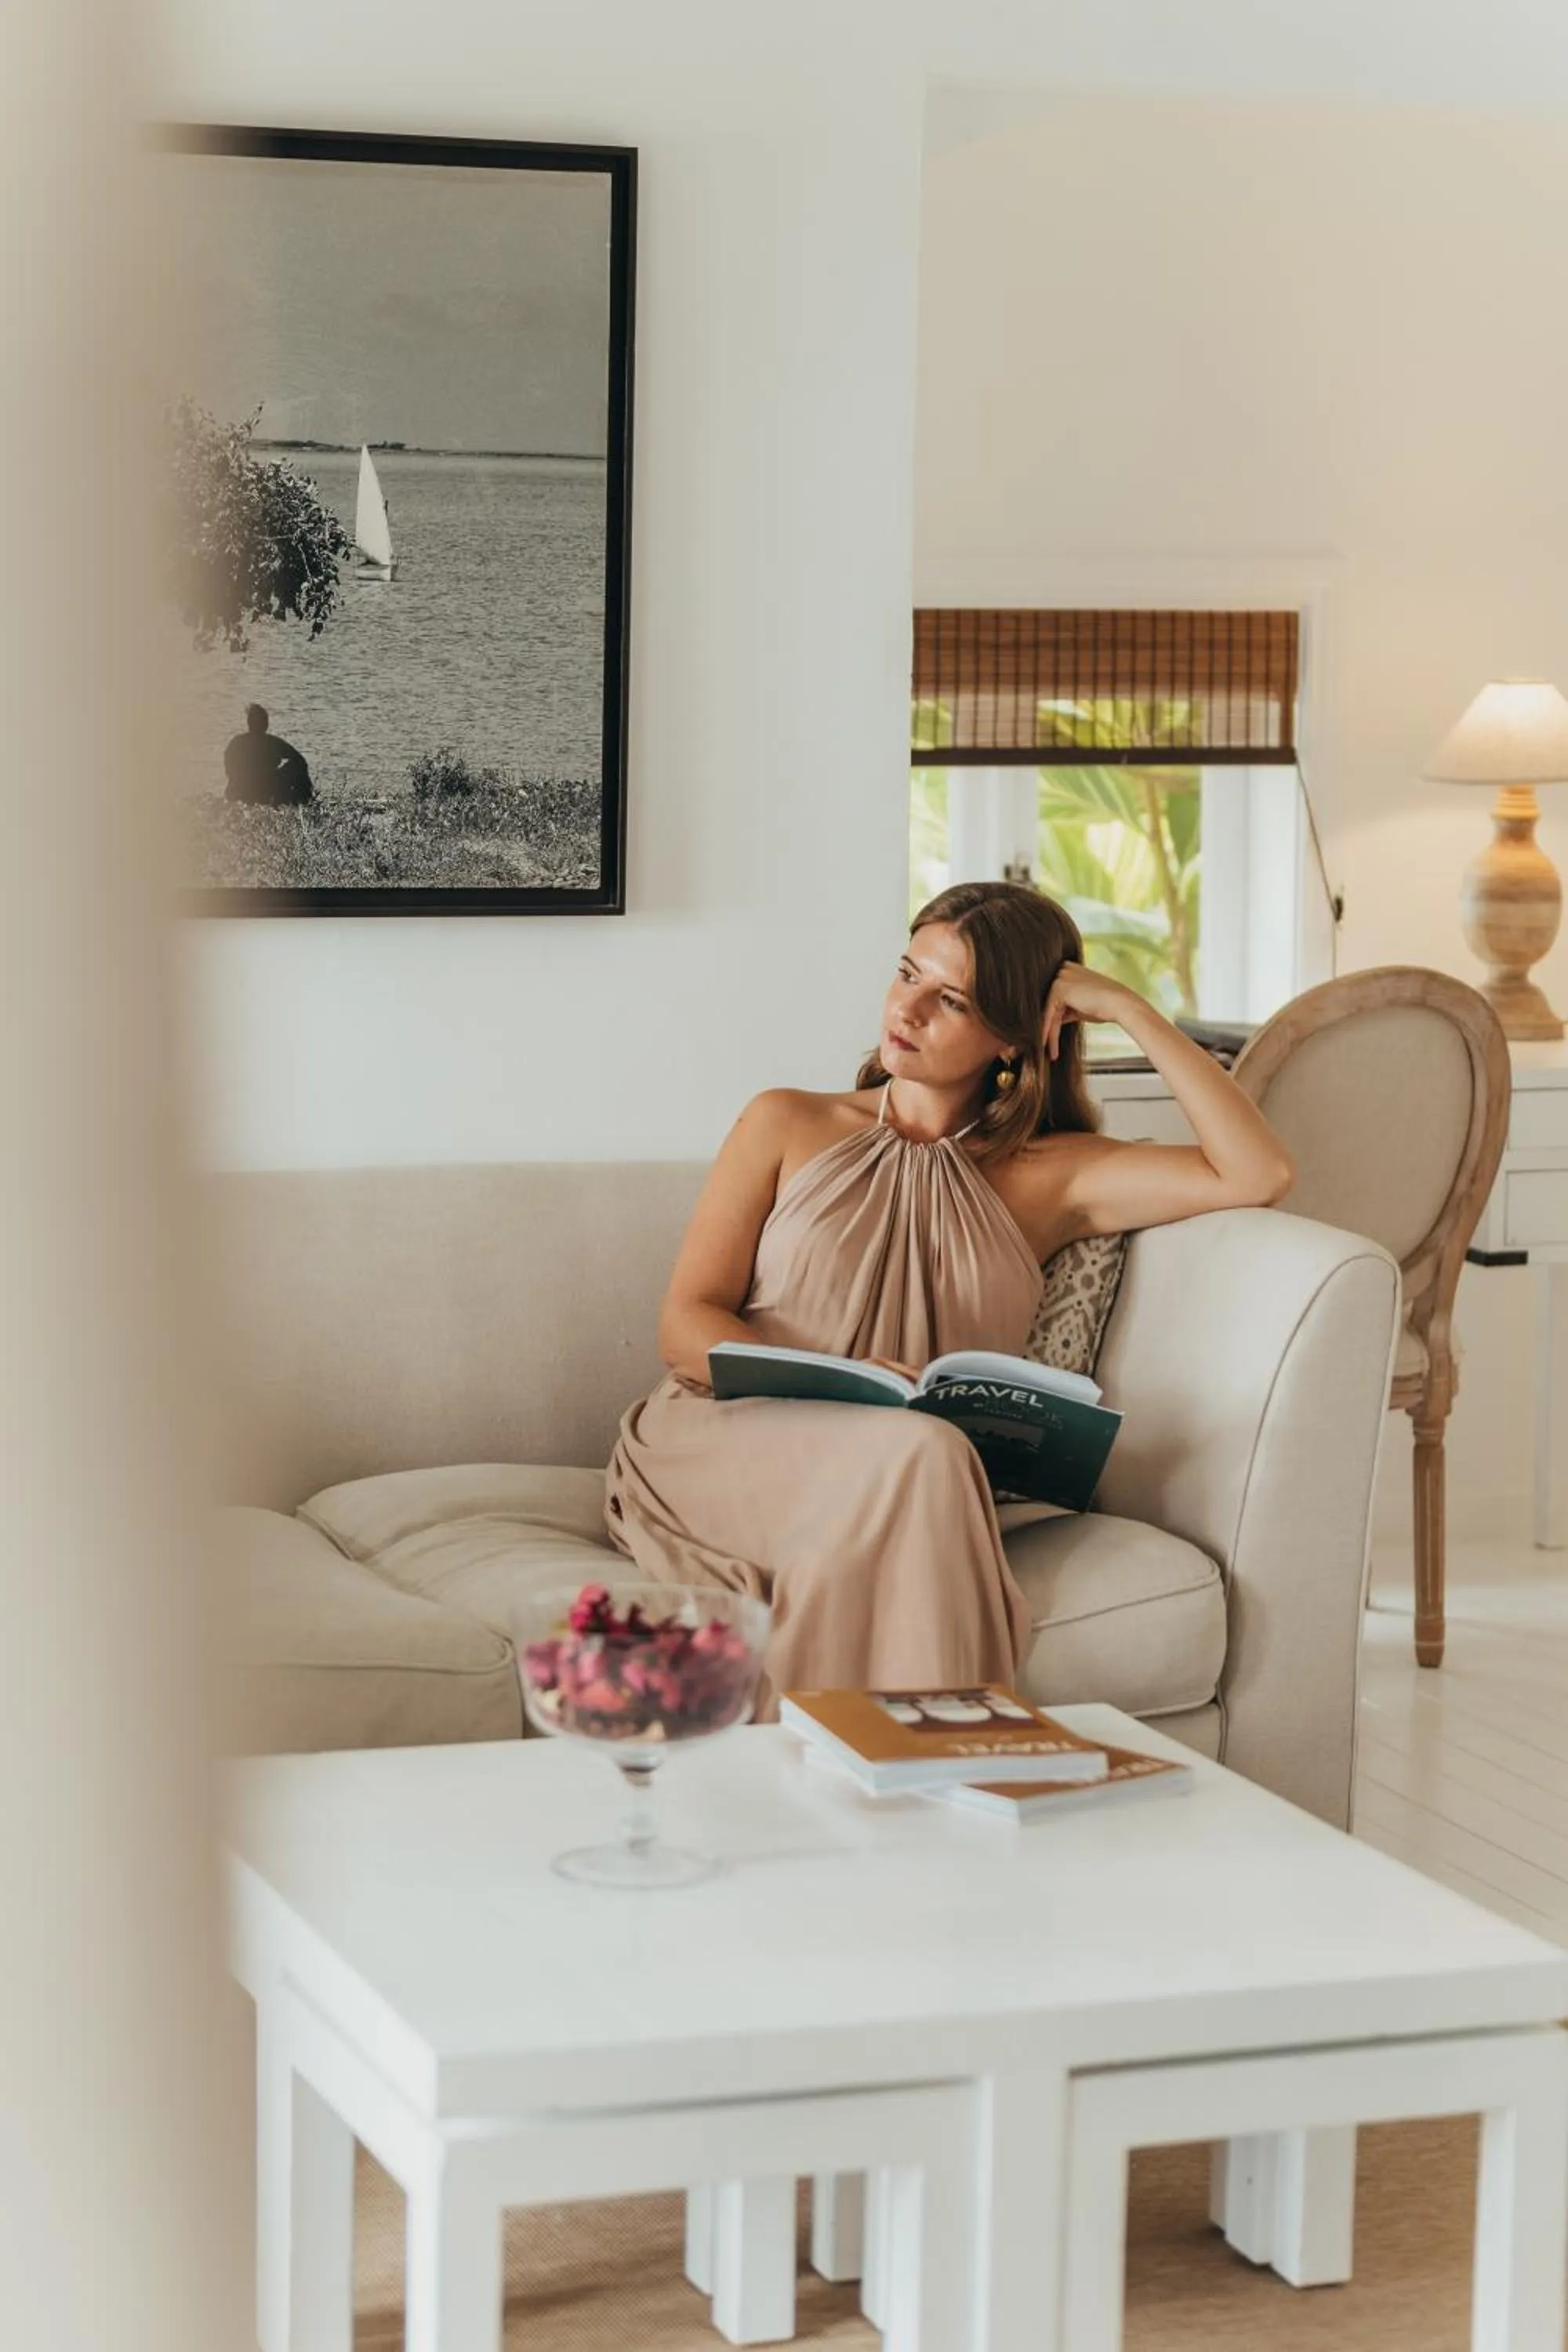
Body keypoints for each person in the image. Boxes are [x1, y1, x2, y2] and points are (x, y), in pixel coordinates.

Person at [604, 880, 1294, 1705]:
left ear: (1013, 1039)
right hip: (728, 1435)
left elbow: (1258, 1172)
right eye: (908, 974)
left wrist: (1125, 1007)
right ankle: (955, 1743)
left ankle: (864, 1751)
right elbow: (685, 1321)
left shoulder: (1052, 1177)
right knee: (925, 1453)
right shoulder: (786, 1122)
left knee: (923, 1454)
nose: (908, 1009)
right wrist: (842, 1384)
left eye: (952, 1001)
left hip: (906, 1469)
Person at [223, 704, 314, 806]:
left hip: (240, 790)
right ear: (265, 724)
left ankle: (304, 800)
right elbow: (299, 760)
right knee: (297, 765)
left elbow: (228, 768)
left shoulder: (237, 742)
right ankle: (307, 801)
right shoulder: (273, 743)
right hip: (267, 789)